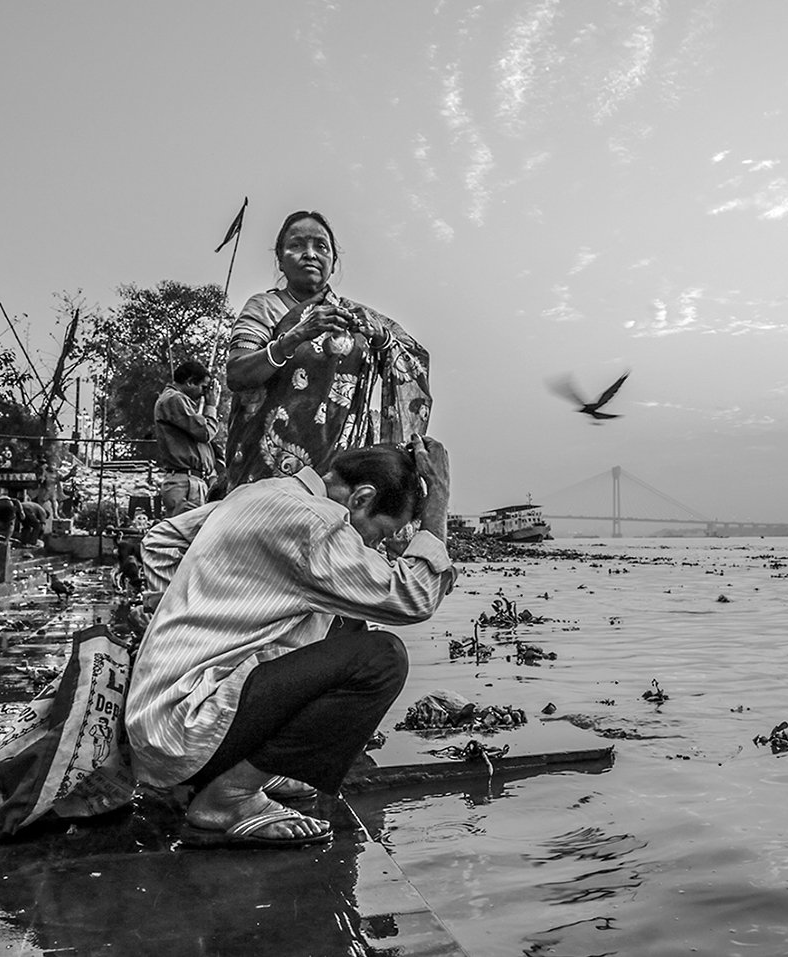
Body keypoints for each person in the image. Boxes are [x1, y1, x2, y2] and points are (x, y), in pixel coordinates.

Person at [125, 435, 455, 848]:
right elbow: (415, 598)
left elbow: (163, 539)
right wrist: (438, 495)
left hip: (161, 718)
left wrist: (176, 615)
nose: (374, 546)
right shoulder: (314, 523)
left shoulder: (262, 493)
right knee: (381, 658)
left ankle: (256, 764)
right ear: (361, 498)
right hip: (184, 732)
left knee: (350, 623)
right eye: (380, 533)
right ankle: (229, 797)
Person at [222, 210, 431, 492]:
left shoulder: (355, 317)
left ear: (333, 263)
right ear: (280, 261)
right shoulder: (264, 307)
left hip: (333, 476)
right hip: (262, 472)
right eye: (297, 245)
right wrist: (294, 337)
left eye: (321, 246)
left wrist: (382, 340)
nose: (310, 254)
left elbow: (411, 360)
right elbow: (237, 373)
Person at [153, 359, 219, 517]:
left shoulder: (176, 400)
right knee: (187, 537)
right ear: (190, 382)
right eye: (203, 387)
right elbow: (205, 432)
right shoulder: (174, 399)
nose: (204, 394)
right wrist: (211, 406)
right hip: (185, 483)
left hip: (190, 482)